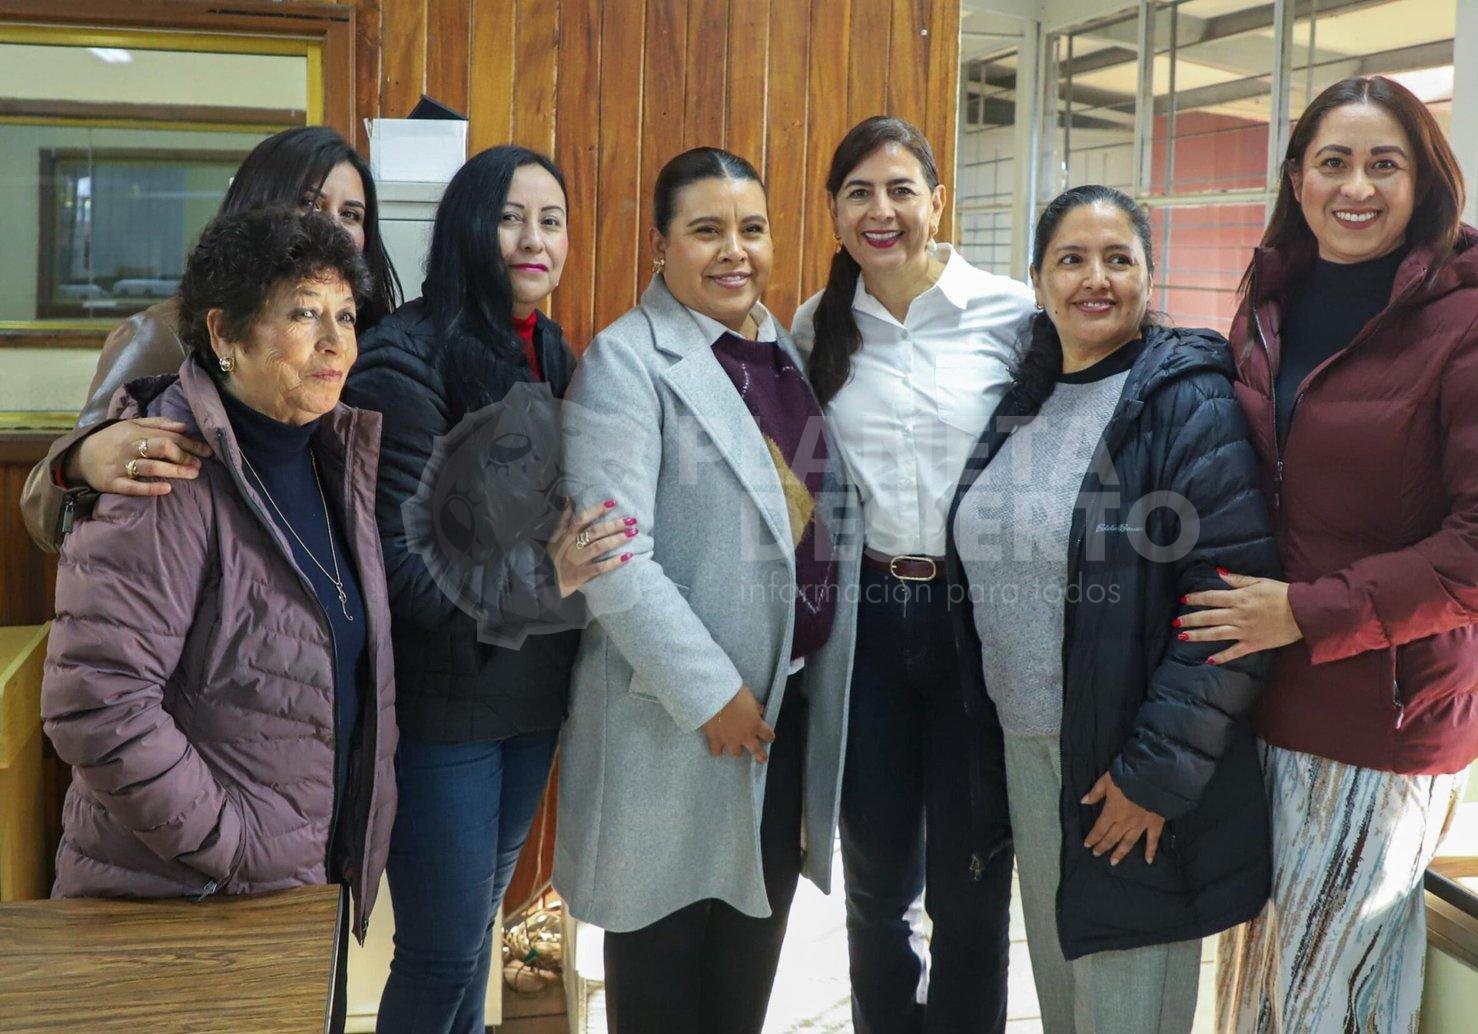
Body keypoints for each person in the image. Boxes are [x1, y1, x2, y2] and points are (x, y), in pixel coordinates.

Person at [1185, 76, 1478, 1033]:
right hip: (1262, 697)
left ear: (1423, 182)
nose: (1357, 187)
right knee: (1262, 990)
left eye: (1384, 164)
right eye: (1334, 162)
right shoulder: (1269, 305)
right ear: (1297, 180)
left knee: (1319, 1001)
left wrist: (1307, 611)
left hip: (1385, 719)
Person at [39, 207, 396, 1029]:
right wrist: (236, 844)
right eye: (303, 313)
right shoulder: (164, 467)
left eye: (346, 316)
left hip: (296, 889)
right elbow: (96, 704)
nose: (335, 342)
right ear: (224, 334)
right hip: (180, 902)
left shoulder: (330, 455)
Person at [946, 185, 1278, 1033]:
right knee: (1066, 1005)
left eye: (1117, 259)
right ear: (1037, 279)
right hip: (1030, 754)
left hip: (1126, 766)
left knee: (1126, 1011)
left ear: (1148, 277)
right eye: (1072, 259)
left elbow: (1227, 607)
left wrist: (1152, 780)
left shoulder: (1187, 400)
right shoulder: (1027, 398)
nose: (1095, 278)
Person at [555, 146, 861, 1033]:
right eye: (707, 231)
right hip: (679, 725)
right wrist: (713, 695)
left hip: (778, 718)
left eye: (751, 229)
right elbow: (614, 558)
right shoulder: (627, 361)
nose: (735, 251)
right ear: (661, 245)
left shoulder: (780, 351)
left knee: (741, 988)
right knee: (664, 987)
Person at [343, 145, 620, 1034]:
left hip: (529, 698)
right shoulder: (404, 356)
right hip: (443, 710)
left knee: (472, 941)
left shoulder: (551, 351)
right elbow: (403, 567)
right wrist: (550, 574)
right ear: (467, 226)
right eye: (509, 217)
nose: (533, 239)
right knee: (440, 953)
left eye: (551, 221)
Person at [790, 114, 1032, 1033]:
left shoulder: (1009, 313)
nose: (880, 211)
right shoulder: (816, 325)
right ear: (835, 211)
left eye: (900, 190)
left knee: (974, 882)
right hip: (870, 623)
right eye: (858, 193)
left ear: (938, 201)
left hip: (975, 620)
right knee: (877, 882)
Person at [20, 124, 401, 552]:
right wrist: (81, 461)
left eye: (350, 214)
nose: (331, 225)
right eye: (308, 204)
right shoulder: (163, 333)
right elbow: (42, 514)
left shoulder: (370, 339)